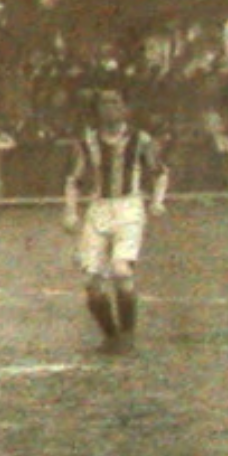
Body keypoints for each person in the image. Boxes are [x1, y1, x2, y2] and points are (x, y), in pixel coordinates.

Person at [61, 87, 168, 356]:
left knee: (121, 271)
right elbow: (74, 180)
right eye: (104, 103)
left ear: (125, 109)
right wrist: (71, 211)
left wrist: (157, 200)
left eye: (115, 103)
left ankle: (128, 336)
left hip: (129, 207)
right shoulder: (88, 141)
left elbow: (160, 172)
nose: (110, 108)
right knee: (92, 285)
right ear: (98, 110)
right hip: (98, 209)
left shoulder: (140, 140)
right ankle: (111, 336)